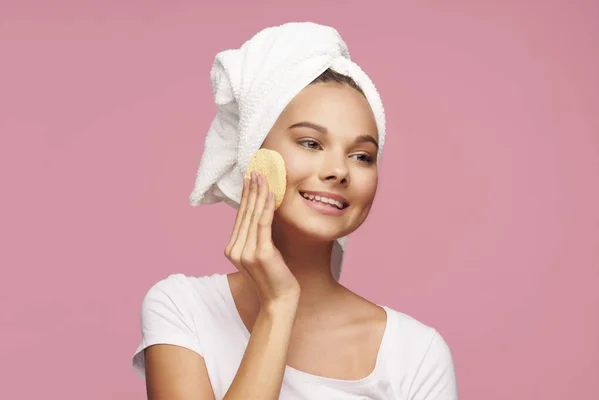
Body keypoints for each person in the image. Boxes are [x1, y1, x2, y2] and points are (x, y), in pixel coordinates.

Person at [132, 22, 458, 400]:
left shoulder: (416, 355)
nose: (339, 170)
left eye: (362, 156)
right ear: (255, 154)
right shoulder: (182, 308)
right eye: (311, 142)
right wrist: (279, 304)